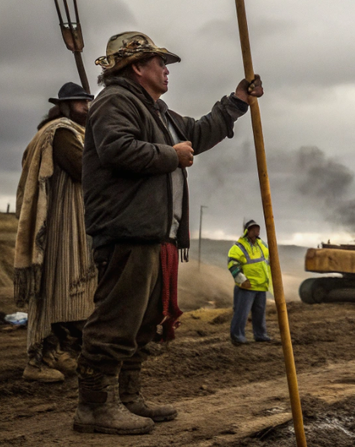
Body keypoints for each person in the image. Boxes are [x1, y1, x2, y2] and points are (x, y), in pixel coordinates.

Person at [74, 31, 262, 435]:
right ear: (136, 67)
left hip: (154, 235)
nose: (166, 69)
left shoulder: (157, 112)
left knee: (142, 323)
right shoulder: (115, 101)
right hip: (126, 231)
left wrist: (236, 102)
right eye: (160, 62)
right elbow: (116, 149)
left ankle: (128, 397)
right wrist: (170, 155)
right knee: (116, 320)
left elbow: (198, 132)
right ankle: (94, 407)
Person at [14, 82, 98, 383]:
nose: (86, 107)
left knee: (71, 294)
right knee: (55, 291)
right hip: (61, 224)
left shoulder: (74, 132)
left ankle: (60, 353)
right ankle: (37, 361)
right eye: (79, 102)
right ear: (64, 106)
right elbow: (84, 169)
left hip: (74, 222)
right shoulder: (61, 132)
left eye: (87, 102)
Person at [227, 219, 272, 345]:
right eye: (253, 229)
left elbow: (269, 259)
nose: (256, 231)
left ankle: (260, 335)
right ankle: (237, 337)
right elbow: (232, 264)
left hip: (261, 286)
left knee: (259, 314)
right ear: (247, 231)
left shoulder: (262, 245)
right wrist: (242, 280)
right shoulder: (238, 247)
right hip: (246, 286)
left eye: (257, 228)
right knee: (241, 313)